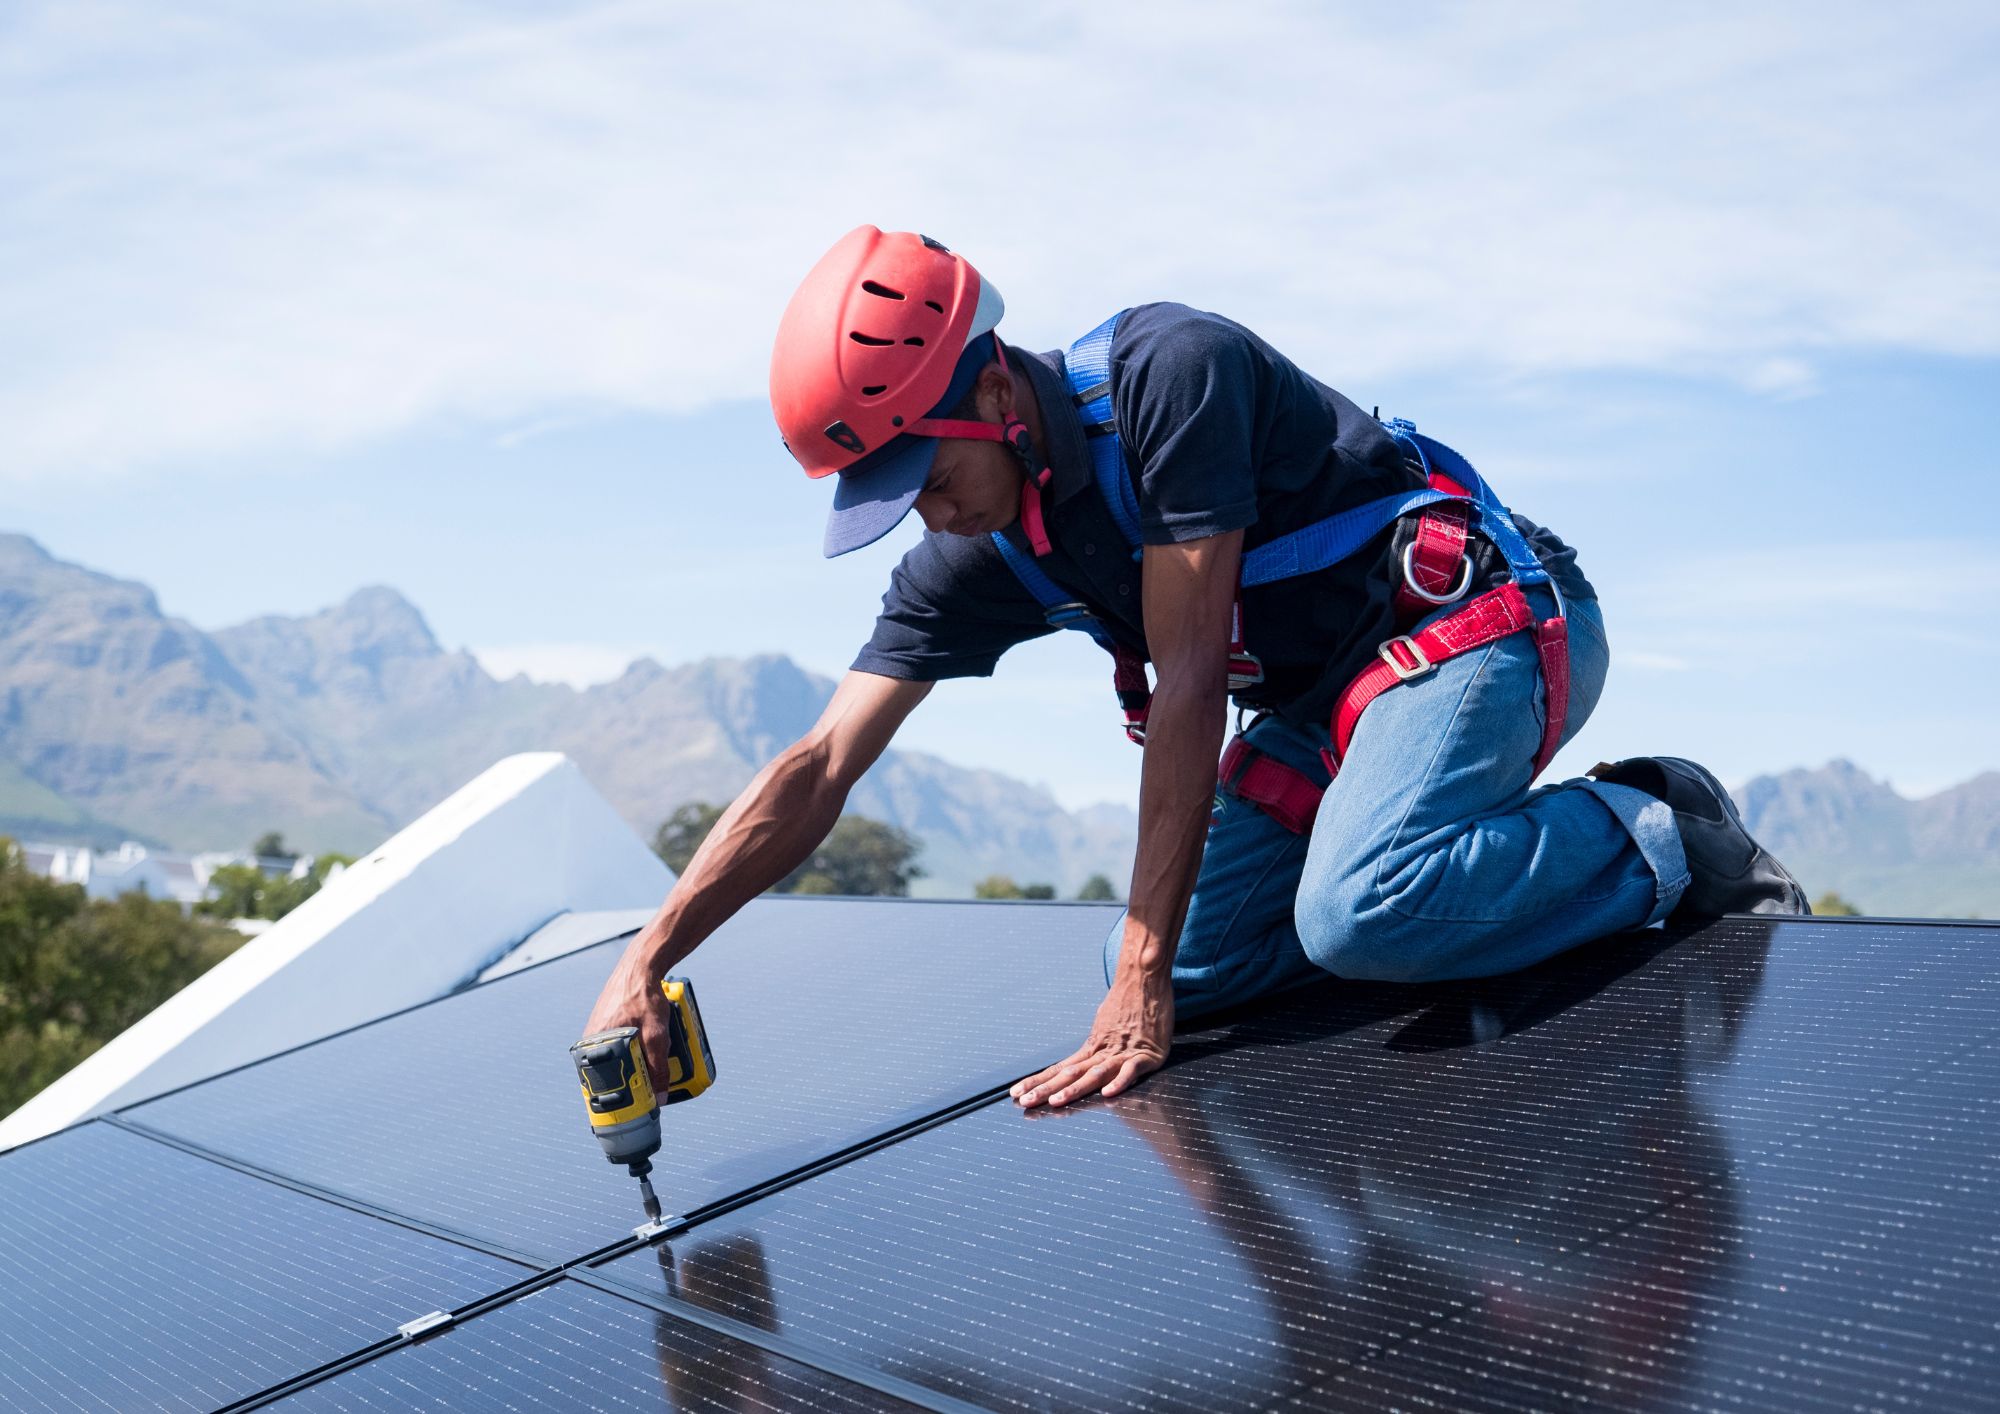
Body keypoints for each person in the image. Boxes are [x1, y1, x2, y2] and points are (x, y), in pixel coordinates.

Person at [581, 225, 1805, 1111]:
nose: (931, 521)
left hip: (1487, 621)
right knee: (1205, 962)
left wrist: (1138, 971)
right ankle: (1440, 886)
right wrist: (649, 955)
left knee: (1353, 910)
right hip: (1336, 705)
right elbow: (815, 767)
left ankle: (1656, 825)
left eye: (930, 479)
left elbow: (1188, 684)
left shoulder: (1171, 375)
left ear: (994, 390)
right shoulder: (974, 558)